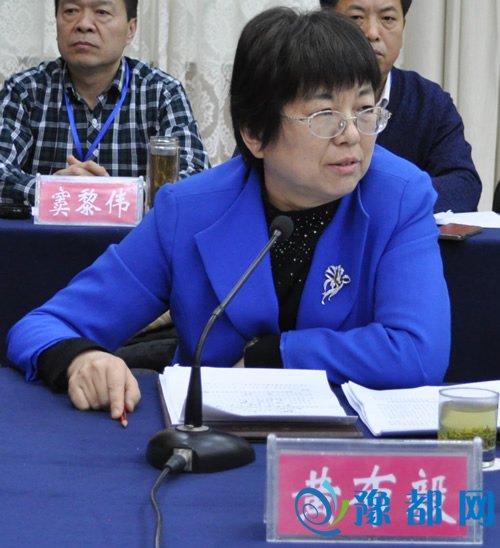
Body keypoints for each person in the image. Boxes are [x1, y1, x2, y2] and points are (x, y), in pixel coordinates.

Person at [7, 7, 450, 422]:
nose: (352, 134)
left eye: (365, 110)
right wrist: (80, 358)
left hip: (343, 455)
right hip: (209, 445)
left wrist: (274, 356)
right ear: (255, 134)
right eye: (324, 115)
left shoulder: (399, 196)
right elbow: (44, 326)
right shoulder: (190, 211)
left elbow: (418, 352)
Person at [0, 0, 209, 206]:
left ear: (130, 29)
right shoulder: (25, 90)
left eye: (101, 12)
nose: (84, 24)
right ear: (56, 23)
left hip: (135, 230)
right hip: (41, 230)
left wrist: (113, 194)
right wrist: (50, 190)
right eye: (71, 10)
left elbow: (196, 179)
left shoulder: (162, 92)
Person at [320, 0, 481, 213]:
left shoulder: (429, 101)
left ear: (403, 26)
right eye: (356, 18)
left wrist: (387, 199)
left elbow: (463, 186)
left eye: (387, 18)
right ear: (326, 21)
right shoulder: (302, 98)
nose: (372, 33)